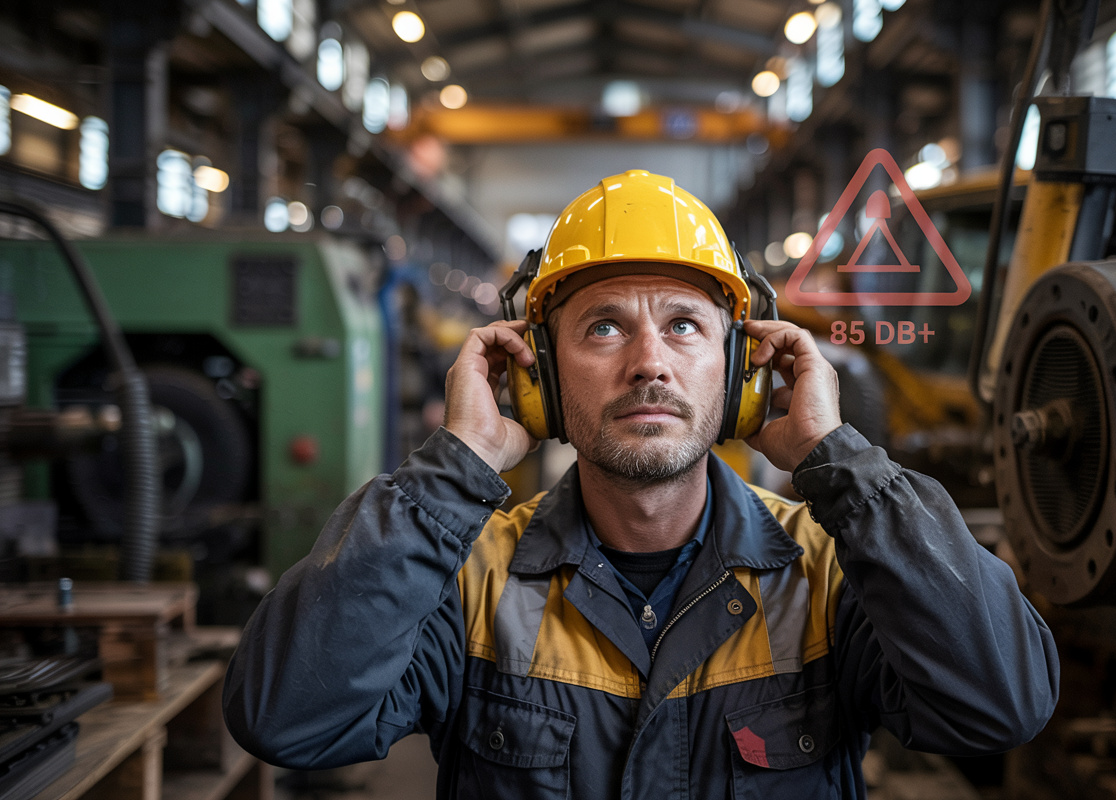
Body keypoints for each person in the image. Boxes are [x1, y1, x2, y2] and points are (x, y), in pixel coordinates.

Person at [223, 170, 1059, 799]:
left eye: (685, 325)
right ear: (539, 377)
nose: (649, 361)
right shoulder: (468, 578)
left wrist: (840, 463)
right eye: (605, 326)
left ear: (739, 372)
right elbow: (288, 718)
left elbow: (1002, 707)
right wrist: (452, 471)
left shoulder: (828, 570)